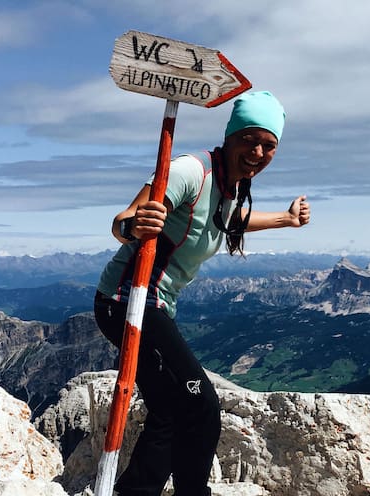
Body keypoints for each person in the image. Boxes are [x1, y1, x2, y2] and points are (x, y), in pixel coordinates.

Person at [93, 91, 310, 496]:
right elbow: (123, 221)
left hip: (152, 305)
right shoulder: (192, 171)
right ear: (230, 136)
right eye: (250, 139)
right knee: (202, 404)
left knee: (168, 409)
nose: (258, 151)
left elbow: (230, 219)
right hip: (129, 301)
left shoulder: (230, 186)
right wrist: (134, 225)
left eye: (269, 145)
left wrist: (285, 219)